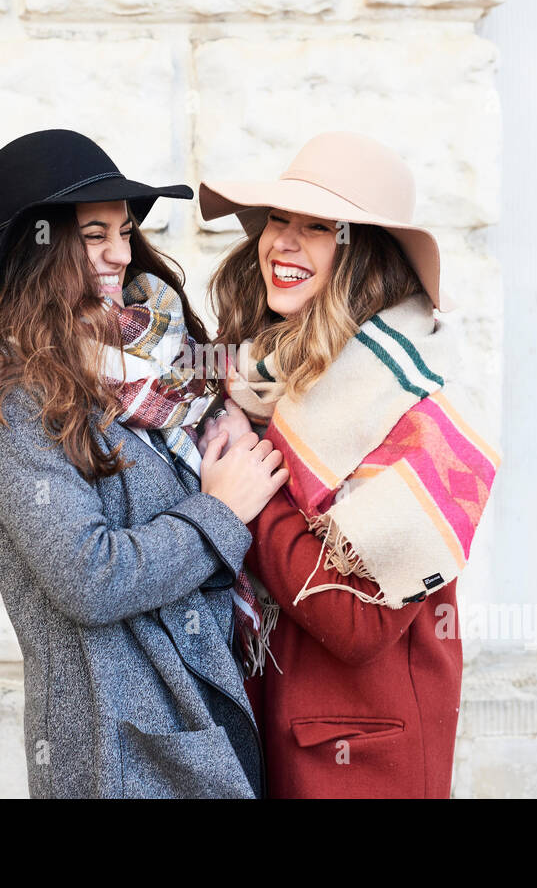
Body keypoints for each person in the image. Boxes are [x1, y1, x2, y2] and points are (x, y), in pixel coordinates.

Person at [0, 129, 287, 798]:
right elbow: (90, 577)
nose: (121, 254)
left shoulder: (149, 365)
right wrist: (218, 510)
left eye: (125, 231)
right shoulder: (6, 393)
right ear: (36, 247)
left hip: (200, 716)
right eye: (95, 234)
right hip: (117, 747)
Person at [197, 130, 501, 798]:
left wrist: (253, 480)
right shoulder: (263, 376)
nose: (282, 241)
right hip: (271, 737)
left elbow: (357, 622)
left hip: (365, 763)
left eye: (316, 227)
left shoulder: (418, 411)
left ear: (361, 254)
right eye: (278, 219)